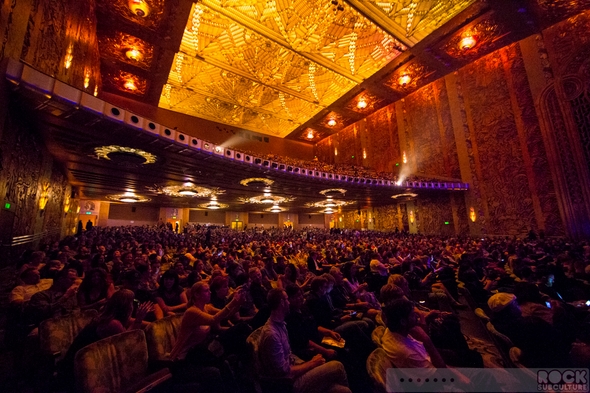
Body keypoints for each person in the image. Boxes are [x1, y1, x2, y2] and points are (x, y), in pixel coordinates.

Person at [257, 288, 351, 393]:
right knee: (337, 366)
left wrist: (305, 364)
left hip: (294, 369)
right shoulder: (272, 335)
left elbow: (289, 356)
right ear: (282, 303)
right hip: (289, 385)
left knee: (343, 390)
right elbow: (284, 372)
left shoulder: (281, 324)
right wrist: (312, 363)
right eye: (287, 299)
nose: (289, 302)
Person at [60, 289, 153, 388]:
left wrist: (153, 325)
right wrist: (139, 319)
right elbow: (127, 341)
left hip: (87, 363)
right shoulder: (112, 323)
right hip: (77, 369)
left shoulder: (109, 315)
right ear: (126, 306)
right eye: (132, 302)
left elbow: (132, 321)